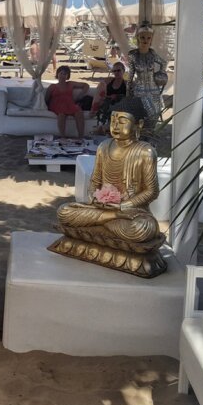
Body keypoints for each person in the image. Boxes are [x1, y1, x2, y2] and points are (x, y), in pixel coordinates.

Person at [49, 99, 166, 277]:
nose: (115, 126)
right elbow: (95, 181)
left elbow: (151, 191)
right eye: (113, 120)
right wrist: (94, 198)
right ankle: (109, 219)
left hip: (131, 213)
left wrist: (123, 206)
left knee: (144, 228)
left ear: (139, 124)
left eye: (122, 121)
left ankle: (102, 222)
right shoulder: (104, 147)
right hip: (103, 209)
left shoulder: (145, 152)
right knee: (64, 212)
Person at [126, 24, 168, 128]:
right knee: (139, 116)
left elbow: (163, 63)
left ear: (151, 40)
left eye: (148, 38)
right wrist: (128, 90)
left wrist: (160, 75)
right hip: (139, 90)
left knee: (154, 114)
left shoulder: (152, 54)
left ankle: (150, 133)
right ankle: (140, 134)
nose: (145, 40)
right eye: (143, 37)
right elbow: (131, 74)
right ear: (138, 38)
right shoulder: (133, 55)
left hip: (153, 89)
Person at [45, 65, 90, 138]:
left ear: (67, 76)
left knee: (79, 112)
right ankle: (63, 137)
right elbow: (46, 98)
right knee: (61, 114)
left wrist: (81, 95)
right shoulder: (52, 86)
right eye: (61, 73)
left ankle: (81, 137)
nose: (62, 76)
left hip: (69, 104)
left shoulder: (70, 84)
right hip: (57, 105)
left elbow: (86, 85)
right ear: (57, 74)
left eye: (65, 74)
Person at [91, 61, 128, 131]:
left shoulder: (126, 84)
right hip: (107, 104)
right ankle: (104, 126)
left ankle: (105, 127)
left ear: (123, 71)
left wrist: (117, 96)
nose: (116, 72)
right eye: (114, 71)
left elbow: (128, 98)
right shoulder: (108, 81)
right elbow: (100, 93)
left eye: (118, 70)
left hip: (119, 106)